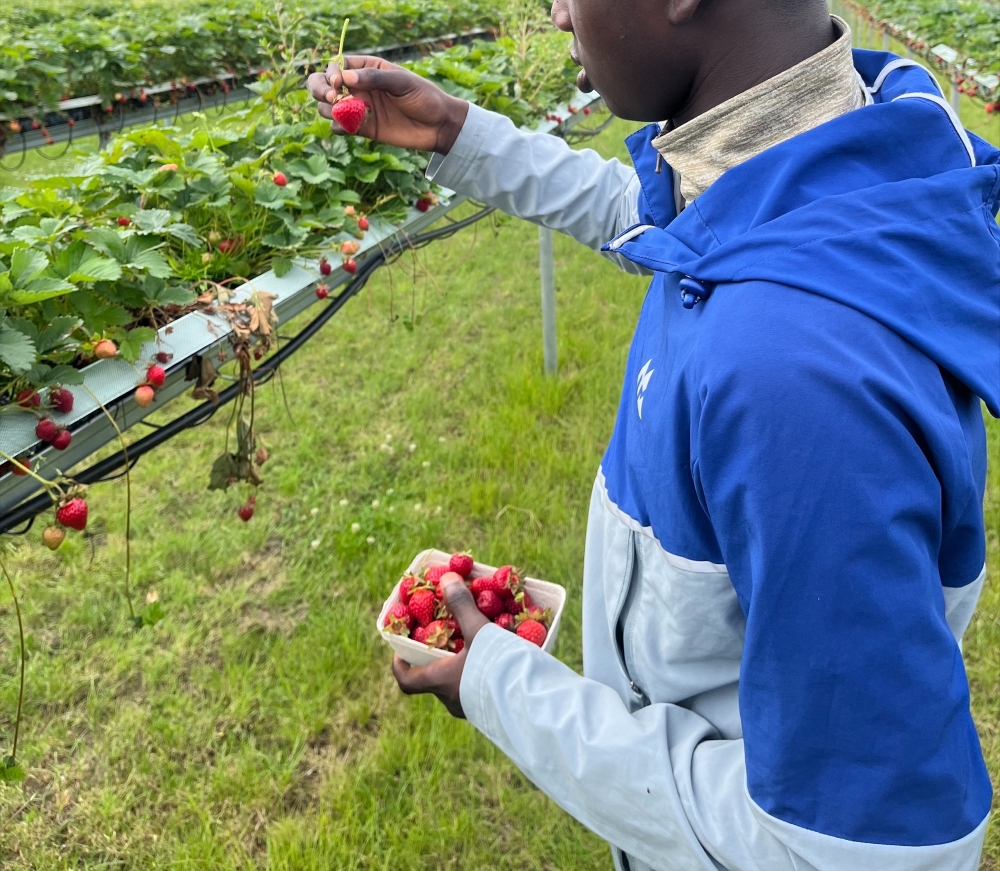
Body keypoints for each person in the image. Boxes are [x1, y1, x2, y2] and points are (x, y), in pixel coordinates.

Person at [309, 0, 1000, 868]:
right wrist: (459, 132)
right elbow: (668, 223)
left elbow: (857, 852)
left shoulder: (793, 381)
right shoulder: (831, 150)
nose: (556, 12)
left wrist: (501, 685)